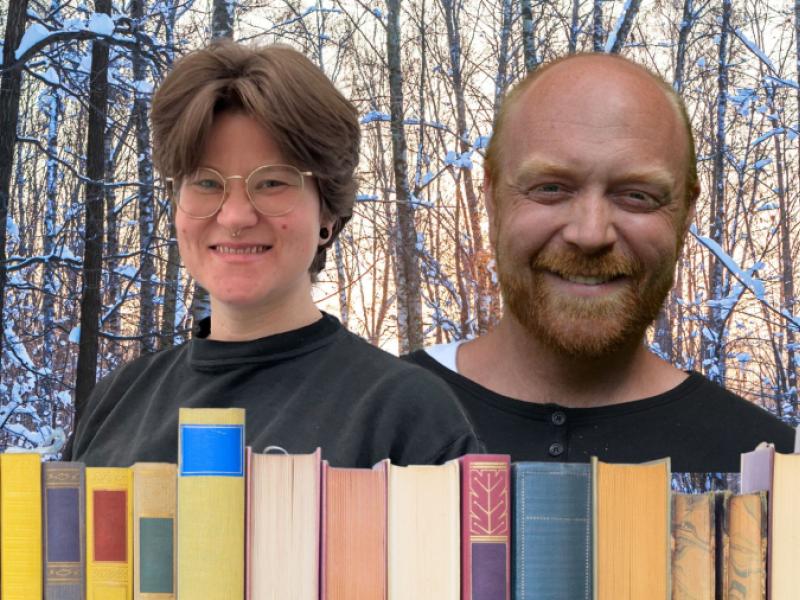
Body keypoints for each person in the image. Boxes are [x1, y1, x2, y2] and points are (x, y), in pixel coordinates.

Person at [69, 40, 482, 468]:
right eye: (206, 183)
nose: (235, 216)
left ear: (327, 212)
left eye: (272, 183)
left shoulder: (406, 414)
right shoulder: (116, 403)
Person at [406, 53, 794, 472]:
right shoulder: (378, 429)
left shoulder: (772, 472)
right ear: (492, 197)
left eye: (637, 196)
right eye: (551, 188)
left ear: (685, 213)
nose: (591, 234)